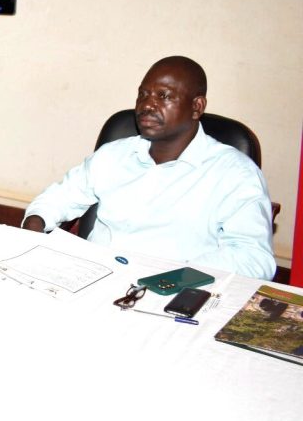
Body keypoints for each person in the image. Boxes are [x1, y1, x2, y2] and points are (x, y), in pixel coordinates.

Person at [22, 56, 276, 280]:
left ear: (197, 107)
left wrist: (171, 275)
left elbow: (254, 259)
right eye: (143, 94)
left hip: (171, 290)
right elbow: (59, 197)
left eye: (163, 96)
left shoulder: (234, 173)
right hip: (93, 279)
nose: (147, 105)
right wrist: (36, 222)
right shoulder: (113, 155)